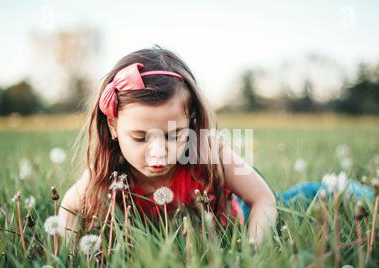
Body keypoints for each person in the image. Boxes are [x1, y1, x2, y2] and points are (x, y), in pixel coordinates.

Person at [58, 45, 277, 244]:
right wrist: (69, 259)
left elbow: (263, 199)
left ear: (190, 123)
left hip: (238, 214)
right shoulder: (107, 170)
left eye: (173, 136)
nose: (159, 152)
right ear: (113, 126)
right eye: (140, 137)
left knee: (306, 195)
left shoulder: (208, 152)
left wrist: (253, 251)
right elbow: (70, 208)